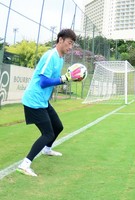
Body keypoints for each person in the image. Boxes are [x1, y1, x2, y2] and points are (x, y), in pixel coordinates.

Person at [17, 29, 81, 177]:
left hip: (43, 101)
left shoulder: (60, 58)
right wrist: (64, 78)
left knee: (58, 126)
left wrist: (68, 78)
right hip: (34, 101)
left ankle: (47, 149)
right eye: (69, 43)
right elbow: (44, 82)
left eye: (72, 44)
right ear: (60, 40)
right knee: (47, 133)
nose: (70, 47)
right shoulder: (50, 56)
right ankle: (25, 164)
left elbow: (55, 78)